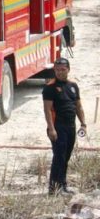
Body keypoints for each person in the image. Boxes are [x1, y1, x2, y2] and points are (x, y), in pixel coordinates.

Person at [42, 57, 86, 195]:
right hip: (57, 126)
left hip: (71, 126)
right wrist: (52, 129)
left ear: (68, 69)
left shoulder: (73, 86)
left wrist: (83, 124)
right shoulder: (50, 87)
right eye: (57, 70)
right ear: (54, 70)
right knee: (59, 157)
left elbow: (78, 106)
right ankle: (54, 188)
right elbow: (47, 110)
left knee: (66, 157)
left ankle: (63, 185)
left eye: (63, 69)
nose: (60, 72)